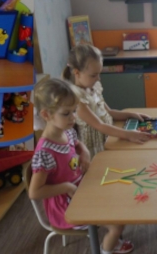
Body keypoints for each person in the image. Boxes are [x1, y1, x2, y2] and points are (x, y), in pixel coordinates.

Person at [28, 78, 133, 254]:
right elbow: (34, 192)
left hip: (80, 191)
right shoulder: (45, 152)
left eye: (74, 110)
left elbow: (77, 144)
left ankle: (112, 238)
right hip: (66, 209)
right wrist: (67, 187)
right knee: (117, 224)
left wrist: (84, 153)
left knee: (119, 198)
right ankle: (107, 248)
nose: (73, 117)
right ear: (46, 115)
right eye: (66, 113)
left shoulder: (66, 130)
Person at [62, 44, 151, 157]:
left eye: (99, 74)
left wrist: (131, 115)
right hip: (95, 151)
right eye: (93, 75)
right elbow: (99, 125)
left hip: (109, 139)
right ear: (77, 73)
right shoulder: (78, 100)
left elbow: (109, 112)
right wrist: (128, 134)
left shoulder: (94, 88)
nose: (98, 79)